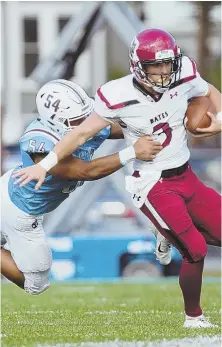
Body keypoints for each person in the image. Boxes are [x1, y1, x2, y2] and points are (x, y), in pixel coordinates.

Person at [12, 29, 221, 328]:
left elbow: (208, 90)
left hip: (186, 174)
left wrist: (218, 121)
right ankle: (194, 317)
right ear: (137, 66)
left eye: (167, 64)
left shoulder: (184, 71)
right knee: (196, 249)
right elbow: (81, 132)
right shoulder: (116, 95)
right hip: (151, 182)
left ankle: (166, 232)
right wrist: (44, 165)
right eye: (154, 66)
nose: (163, 72)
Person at [1, 79, 165, 295]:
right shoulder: (38, 143)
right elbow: (84, 171)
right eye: (78, 120)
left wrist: (160, 118)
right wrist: (132, 152)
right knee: (36, 285)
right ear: (54, 121)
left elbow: (118, 126)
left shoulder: (77, 121)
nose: (86, 123)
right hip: (18, 210)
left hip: (12, 190)